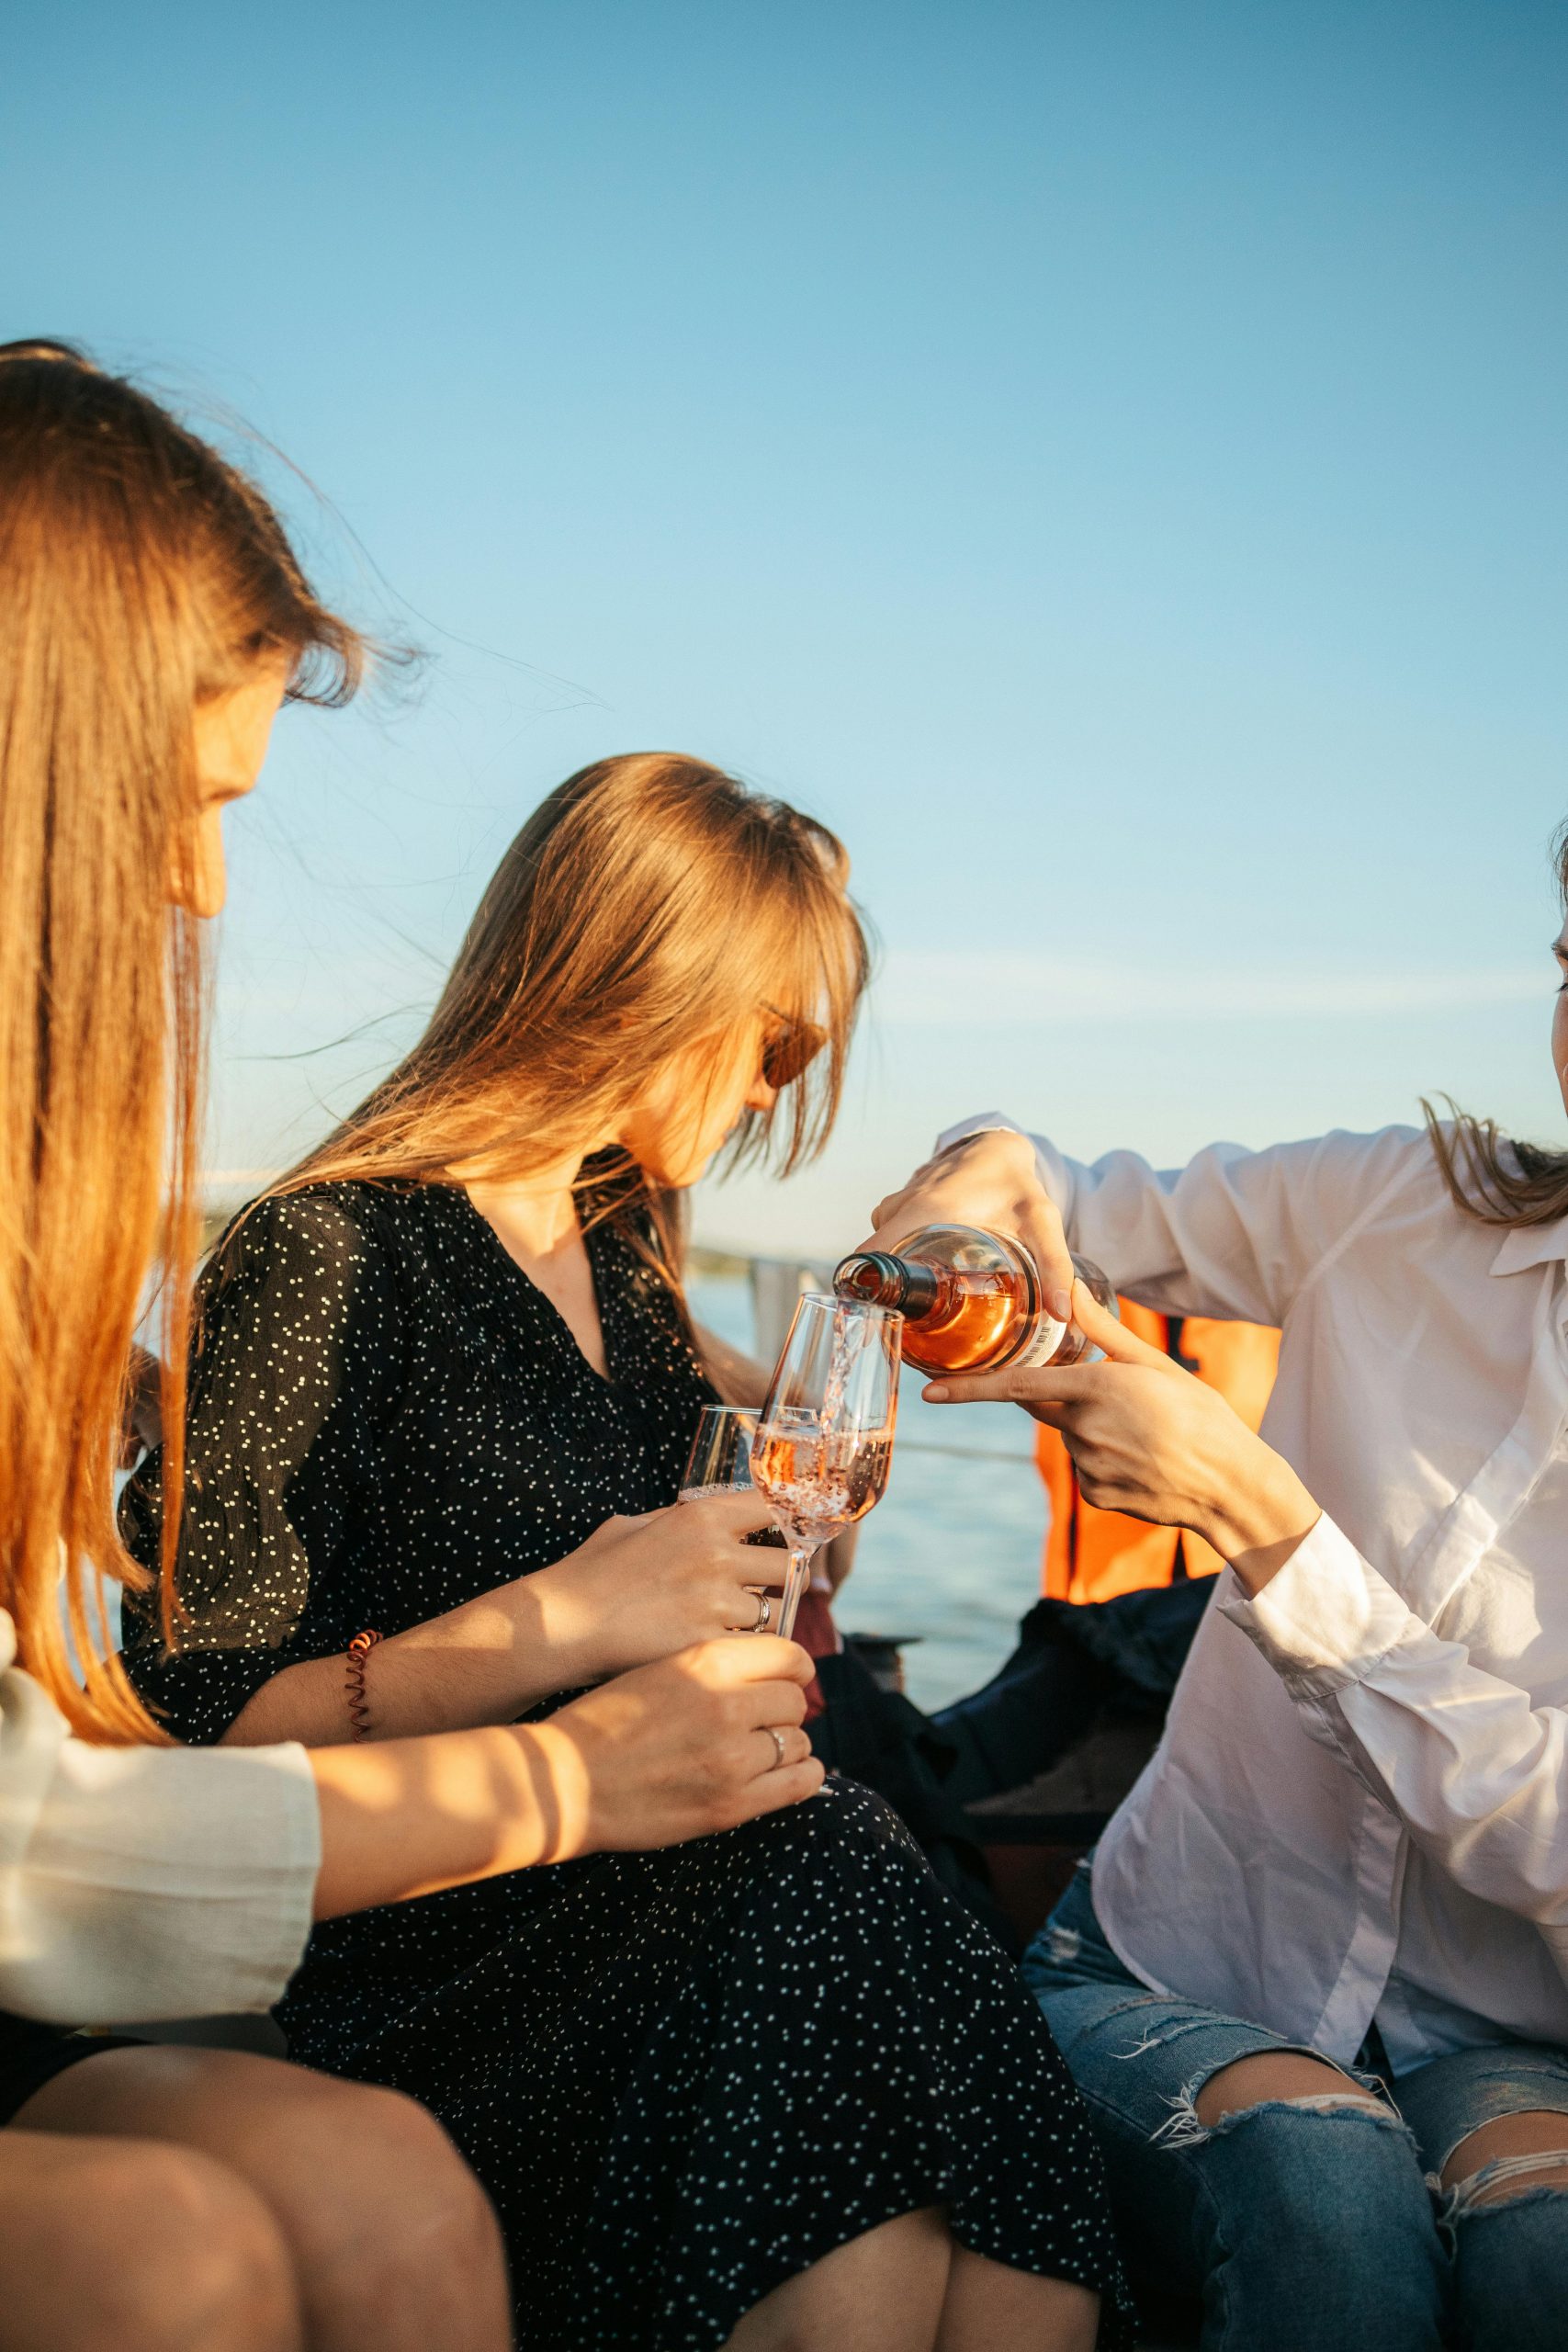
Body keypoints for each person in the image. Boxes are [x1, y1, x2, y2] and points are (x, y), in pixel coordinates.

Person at [0, 341, 823, 2352]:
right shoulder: (323, 1255)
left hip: (196, 1900)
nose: (200, 886)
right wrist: (553, 1742)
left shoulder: (620, 1274)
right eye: (182, 802)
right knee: (175, 2257)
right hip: (362, 1907)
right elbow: (122, 1769)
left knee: (398, 2190)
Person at [122, 754, 1131, 2352]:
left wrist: (788, 1554)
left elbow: (738, 1553)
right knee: (833, 1909)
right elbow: (193, 1733)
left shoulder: (621, 1261)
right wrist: (560, 1621)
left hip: (693, 1881)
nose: (773, 1089)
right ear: (648, 984)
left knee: (868, 1915)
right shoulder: (323, 1255)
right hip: (455, 1930)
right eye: (776, 1041)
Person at [866, 922, 1568, 2346]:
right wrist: (989, 1169)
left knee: (1542, 2264)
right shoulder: (1404, 1200)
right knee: (1318, 2185)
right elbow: (1072, 1205)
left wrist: (1265, 1524)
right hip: (1166, 1958)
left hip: (1514, 2045)